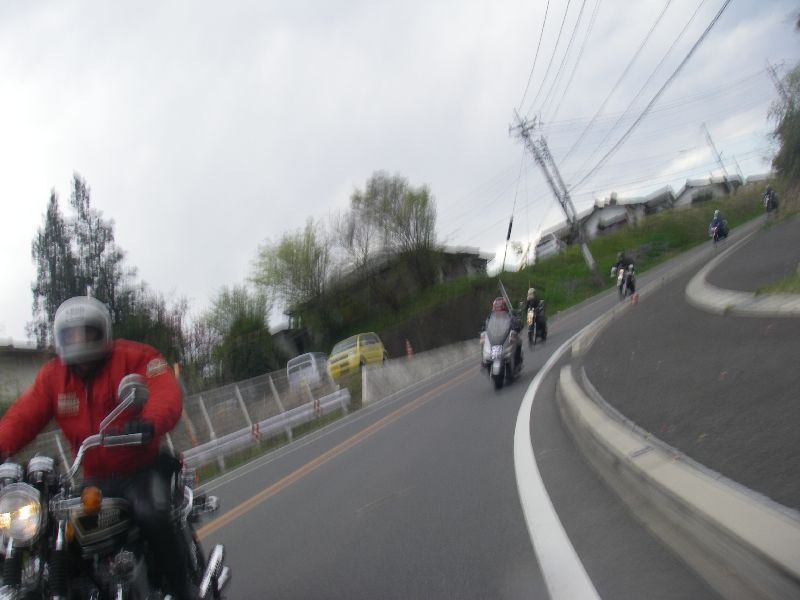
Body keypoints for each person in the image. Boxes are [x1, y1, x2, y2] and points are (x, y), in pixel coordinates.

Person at [0, 296, 195, 599]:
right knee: (63, 535)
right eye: (71, 335)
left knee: (152, 515)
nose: (79, 342)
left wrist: (149, 422)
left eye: (86, 333)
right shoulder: (54, 377)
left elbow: (163, 390)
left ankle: (184, 591)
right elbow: (22, 418)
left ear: (103, 331)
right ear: (60, 338)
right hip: (95, 480)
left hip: (141, 470)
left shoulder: (135, 357)